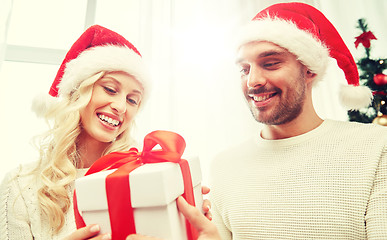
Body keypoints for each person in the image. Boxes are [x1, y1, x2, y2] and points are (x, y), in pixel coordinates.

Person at [0, 25, 210, 240]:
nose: (120, 106)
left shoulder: (144, 177)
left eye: (132, 100)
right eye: (110, 89)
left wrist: (185, 222)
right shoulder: (19, 186)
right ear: (77, 92)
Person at [207, 2, 387, 240]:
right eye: (244, 69)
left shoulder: (376, 147)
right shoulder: (224, 166)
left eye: (270, 63)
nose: (252, 81)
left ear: (309, 69)